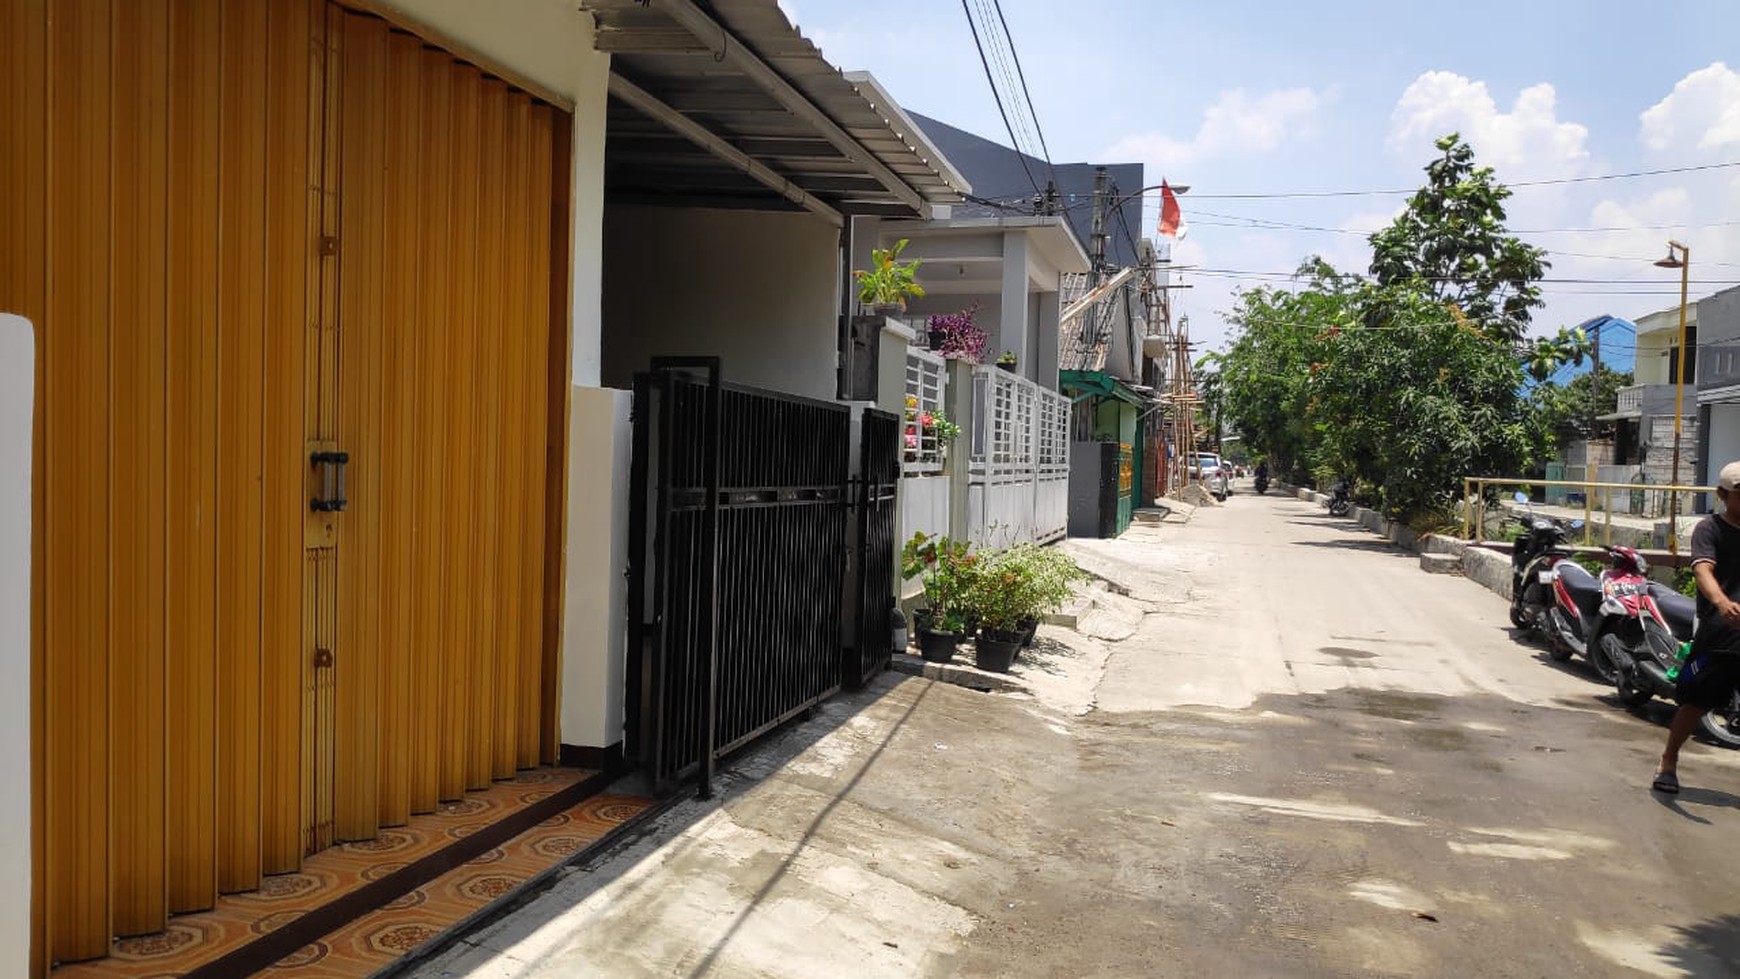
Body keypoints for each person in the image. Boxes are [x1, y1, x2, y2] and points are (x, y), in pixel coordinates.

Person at [1653, 460, 1740, 794]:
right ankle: (1669, 760)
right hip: (1720, 632)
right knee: (1696, 703)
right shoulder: (1710, 529)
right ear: (1722, 494)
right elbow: (1703, 570)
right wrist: (1721, 602)